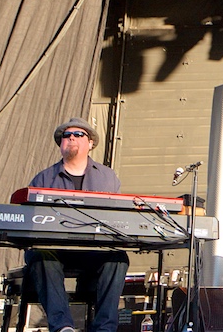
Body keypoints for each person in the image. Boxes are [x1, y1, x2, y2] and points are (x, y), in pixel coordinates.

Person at [24, 118, 129, 332]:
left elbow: (119, 217)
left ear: (90, 143)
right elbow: (30, 219)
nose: (71, 137)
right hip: (57, 249)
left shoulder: (108, 178)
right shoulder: (43, 178)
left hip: (93, 249)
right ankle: (62, 326)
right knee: (40, 255)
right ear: (61, 144)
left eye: (78, 134)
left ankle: (105, 328)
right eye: (66, 135)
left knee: (118, 258)